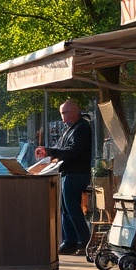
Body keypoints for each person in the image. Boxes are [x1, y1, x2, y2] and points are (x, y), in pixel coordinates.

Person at [35, 100, 93, 255]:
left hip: (77, 173)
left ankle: (83, 242)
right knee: (66, 209)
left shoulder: (81, 127)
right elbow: (63, 149)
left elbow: (73, 150)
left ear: (73, 112)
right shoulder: (70, 129)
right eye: (62, 113)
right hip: (69, 173)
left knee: (72, 208)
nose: (63, 117)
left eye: (65, 113)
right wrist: (49, 155)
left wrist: (50, 152)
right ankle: (70, 242)